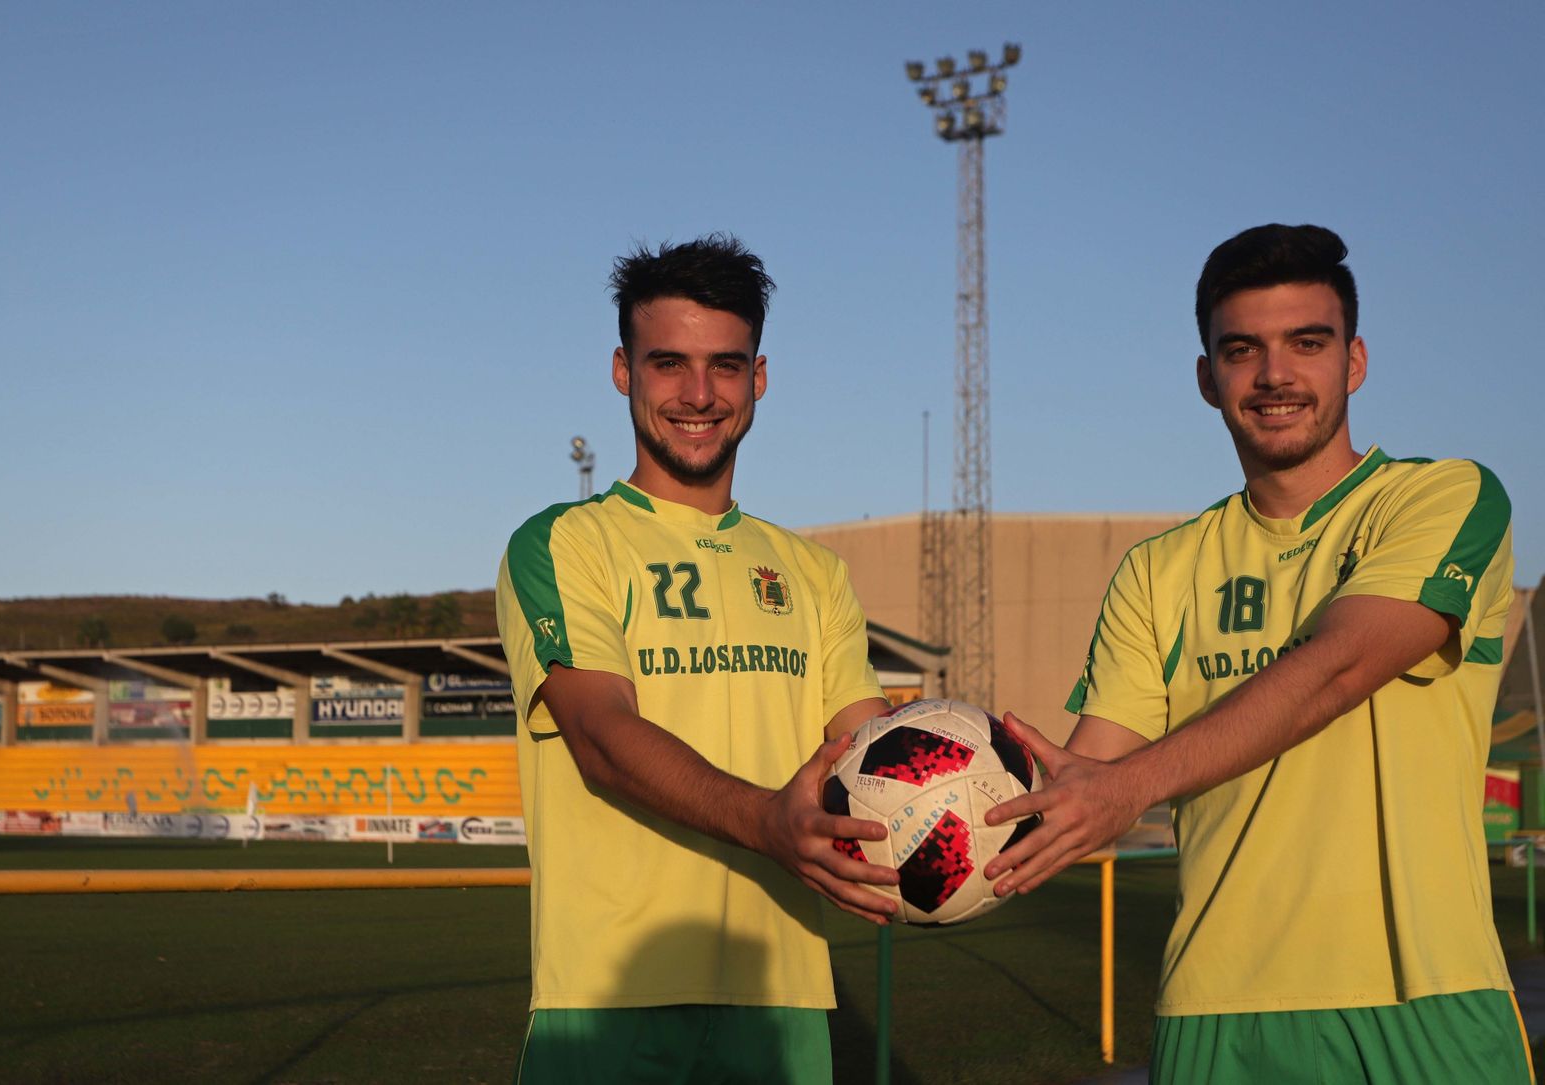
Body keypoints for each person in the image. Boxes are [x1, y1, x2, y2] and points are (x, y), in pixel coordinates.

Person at [983, 224, 1530, 1083]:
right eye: (1242, 350)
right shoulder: (1160, 569)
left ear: (1353, 362)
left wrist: (1122, 787)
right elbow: (1083, 779)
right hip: (1216, 1009)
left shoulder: (1443, 496)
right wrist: (926, 807)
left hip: (1423, 998)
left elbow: (1341, 666)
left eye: (1306, 344)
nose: (1275, 375)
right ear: (1208, 377)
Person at [494, 234, 899, 1084]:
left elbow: (873, 762)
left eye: (725, 364)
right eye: (669, 363)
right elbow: (601, 738)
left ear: (758, 378)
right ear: (622, 370)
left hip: (783, 997)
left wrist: (972, 795)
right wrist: (767, 823)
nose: (698, 394)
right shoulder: (563, 543)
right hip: (610, 998)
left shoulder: (815, 573)